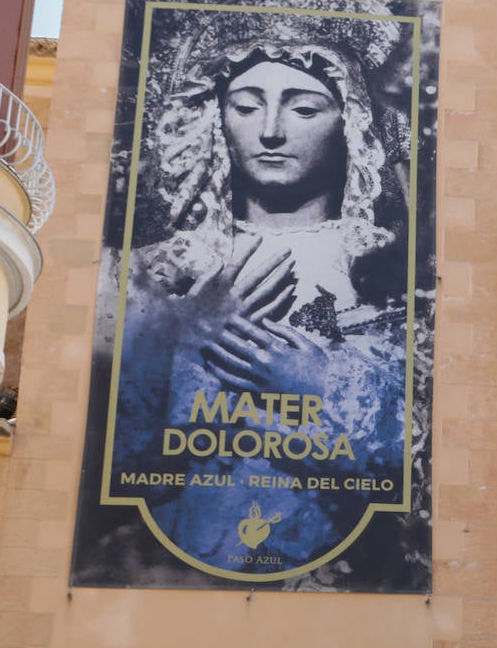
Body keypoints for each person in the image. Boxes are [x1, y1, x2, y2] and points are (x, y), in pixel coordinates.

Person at [110, 38, 413, 571]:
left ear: (351, 124)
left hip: (341, 575)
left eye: (303, 108)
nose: (271, 130)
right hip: (168, 568)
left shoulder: (387, 276)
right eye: (247, 106)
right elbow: (103, 444)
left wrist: (319, 384)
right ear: (215, 119)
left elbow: (412, 457)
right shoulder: (150, 271)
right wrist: (173, 337)